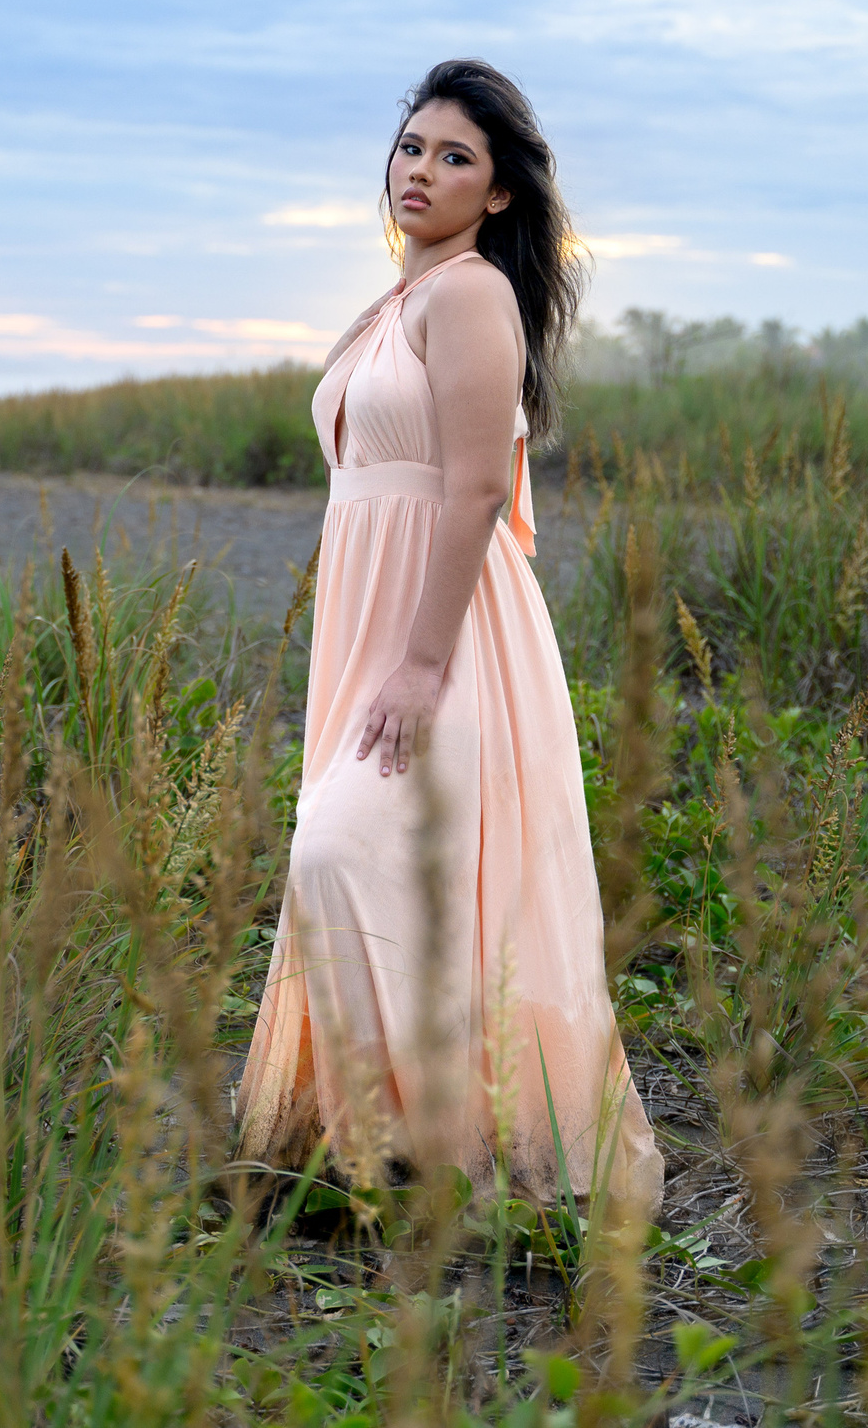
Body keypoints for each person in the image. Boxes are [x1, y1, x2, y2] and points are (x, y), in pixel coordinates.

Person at [236, 60, 663, 1210]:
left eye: (454, 156)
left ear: (499, 194)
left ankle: (439, 1144)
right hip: (375, 611)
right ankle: (395, 1143)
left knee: (341, 848)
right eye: (412, 146)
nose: (420, 170)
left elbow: (475, 488)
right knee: (394, 865)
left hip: (451, 624)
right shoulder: (396, 299)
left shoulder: (470, 293)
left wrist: (423, 661)